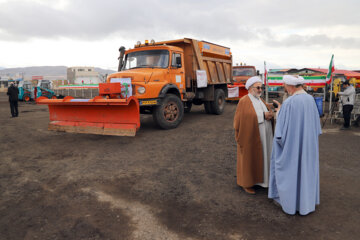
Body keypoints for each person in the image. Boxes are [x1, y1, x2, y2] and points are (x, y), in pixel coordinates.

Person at [268, 75, 321, 215]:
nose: (284, 87)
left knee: (291, 171)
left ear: (291, 86)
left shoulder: (290, 102)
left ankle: (290, 203)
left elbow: (281, 132)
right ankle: (305, 202)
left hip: (292, 146)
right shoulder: (310, 99)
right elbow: (317, 127)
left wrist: (279, 112)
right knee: (305, 171)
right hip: (308, 145)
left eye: (285, 85)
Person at [234, 76, 274, 194]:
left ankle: (262, 181)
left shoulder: (259, 99)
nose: (260, 90)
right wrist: (263, 115)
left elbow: (261, 110)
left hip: (263, 135)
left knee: (263, 156)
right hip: (251, 135)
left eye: (261, 87)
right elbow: (244, 117)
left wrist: (270, 111)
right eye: (258, 87)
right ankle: (246, 183)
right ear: (251, 88)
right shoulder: (244, 100)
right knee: (249, 157)